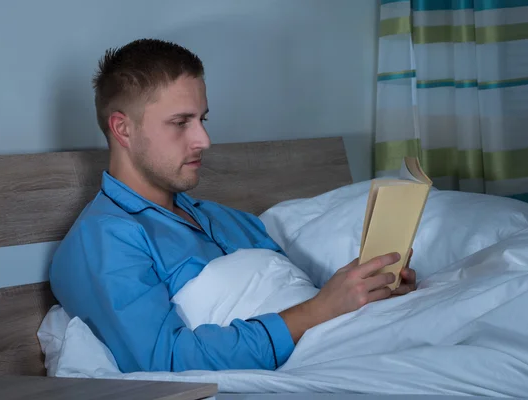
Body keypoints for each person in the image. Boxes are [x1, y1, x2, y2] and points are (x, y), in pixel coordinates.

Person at [49, 38, 416, 374]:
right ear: (123, 129)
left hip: (357, 339)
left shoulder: (228, 220)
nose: (204, 140)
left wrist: (370, 290)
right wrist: (320, 310)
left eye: (202, 119)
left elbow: (299, 297)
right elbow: (165, 362)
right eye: (181, 122)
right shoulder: (105, 238)